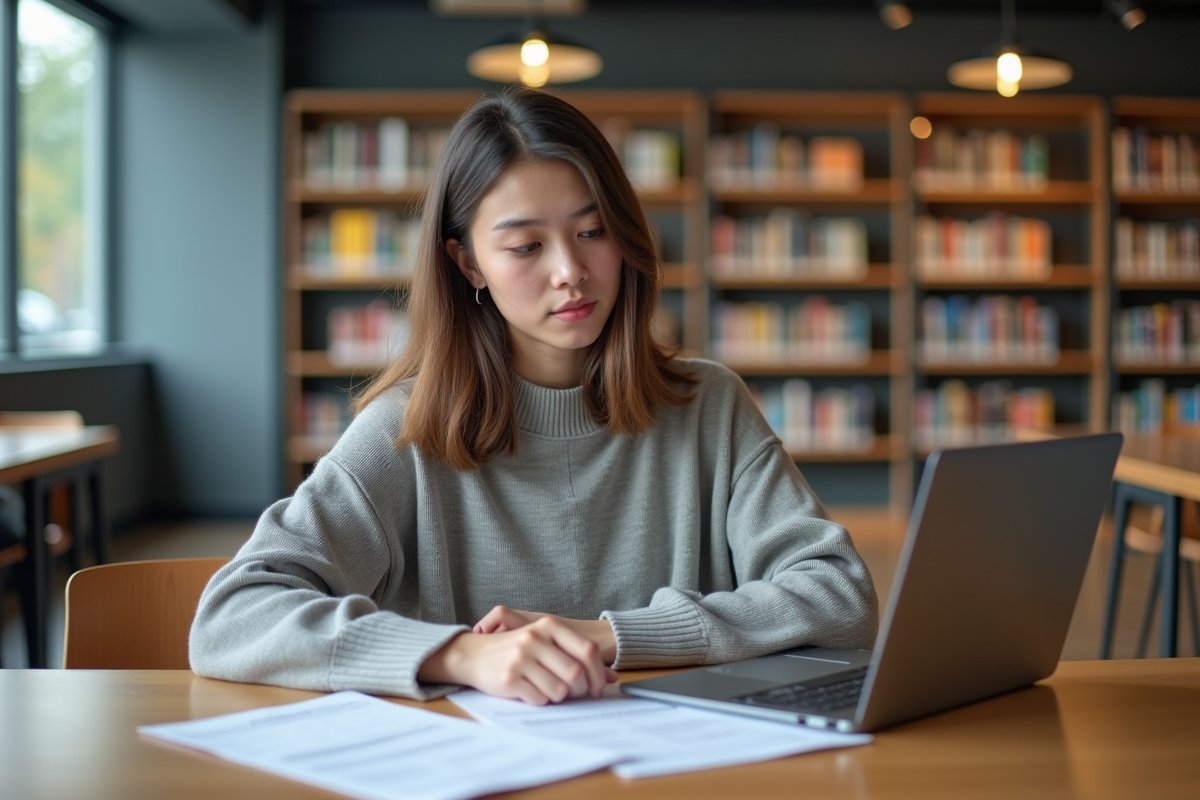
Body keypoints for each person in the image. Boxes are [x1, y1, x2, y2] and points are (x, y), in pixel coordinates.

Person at [190, 87, 878, 706]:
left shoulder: (709, 406)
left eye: (592, 232)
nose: (571, 273)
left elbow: (841, 596)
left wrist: (610, 637)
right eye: (525, 247)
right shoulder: (407, 430)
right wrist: (458, 653)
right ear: (468, 263)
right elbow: (232, 616)